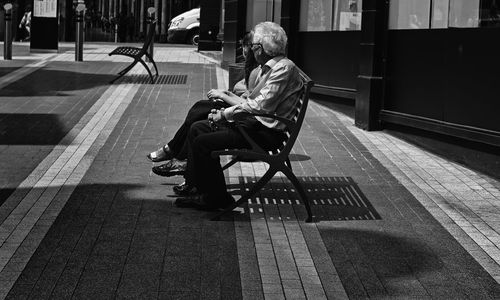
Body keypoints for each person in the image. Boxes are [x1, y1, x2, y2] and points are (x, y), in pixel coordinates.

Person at [174, 21, 303, 210]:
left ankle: (216, 198)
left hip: (267, 133)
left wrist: (224, 115)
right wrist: (226, 111)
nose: (251, 50)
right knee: (197, 128)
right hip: (257, 125)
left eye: (253, 46)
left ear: (261, 49)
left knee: (203, 141)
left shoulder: (282, 68)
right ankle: (198, 188)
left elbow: (259, 107)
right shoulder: (272, 67)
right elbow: (256, 103)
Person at [147, 32, 259, 180]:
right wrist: (227, 94)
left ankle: (177, 156)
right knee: (199, 110)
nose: (243, 50)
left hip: (244, 119)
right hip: (241, 112)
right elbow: (246, 99)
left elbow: (249, 104)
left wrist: (224, 96)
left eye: (245, 46)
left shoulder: (259, 70)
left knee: (199, 121)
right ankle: (179, 159)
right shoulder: (254, 67)